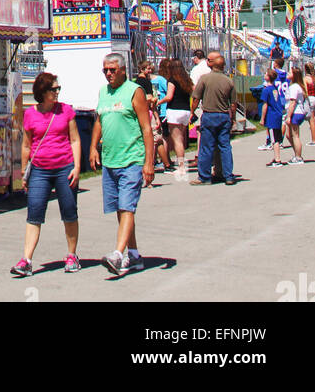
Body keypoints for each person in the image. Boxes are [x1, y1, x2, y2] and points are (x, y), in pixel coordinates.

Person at [11, 72, 82, 277]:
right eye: (54, 89)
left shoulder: (66, 111)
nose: (57, 92)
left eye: (58, 89)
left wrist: (76, 167)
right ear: (42, 92)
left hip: (64, 167)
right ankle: (26, 259)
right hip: (40, 170)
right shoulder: (30, 114)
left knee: (69, 211)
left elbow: (75, 140)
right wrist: (24, 170)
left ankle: (71, 255)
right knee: (34, 213)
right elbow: (26, 145)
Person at [90, 54, 154, 275]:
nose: (108, 74)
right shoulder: (103, 92)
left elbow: (147, 128)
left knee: (127, 206)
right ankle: (134, 254)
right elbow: (100, 120)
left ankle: (117, 254)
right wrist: (92, 148)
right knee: (121, 209)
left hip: (132, 159)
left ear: (123, 70)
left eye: (112, 70)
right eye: (105, 70)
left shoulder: (134, 91)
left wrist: (149, 162)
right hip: (110, 159)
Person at [190, 52, 237, 185]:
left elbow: (196, 98)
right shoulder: (229, 81)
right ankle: (228, 175)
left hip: (209, 115)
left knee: (206, 147)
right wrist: (232, 118)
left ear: (211, 64)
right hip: (223, 115)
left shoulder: (204, 79)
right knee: (225, 146)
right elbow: (233, 104)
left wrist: (192, 112)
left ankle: (204, 177)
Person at [159, 58, 194, 177]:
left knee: (177, 140)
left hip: (174, 110)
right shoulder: (187, 80)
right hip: (186, 110)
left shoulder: (172, 80)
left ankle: (181, 167)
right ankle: (182, 163)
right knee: (182, 139)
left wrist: (158, 102)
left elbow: (169, 97)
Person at [259, 69, 286, 167]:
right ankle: (276, 157)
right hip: (278, 115)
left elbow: (265, 105)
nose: (264, 75)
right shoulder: (274, 88)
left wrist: (262, 118)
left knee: (274, 139)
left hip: (272, 116)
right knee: (277, 137)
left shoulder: (266, 90)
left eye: (266, 74)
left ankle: (278, 159)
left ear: (268, 77)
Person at [284, 68, 309, 164]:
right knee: (288, 135)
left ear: (294, 75)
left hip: (296, 112)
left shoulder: (295, 87)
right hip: (295, 112)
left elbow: (293, 103)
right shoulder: (294, 86)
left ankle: (298, 157)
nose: (288, 73)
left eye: (290, 72)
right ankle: (297, 154)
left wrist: (289, 116)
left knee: (295, 136)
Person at [304, 63, 315, 146]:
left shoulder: (306, 79)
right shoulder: (314, 78)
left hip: (310, 99)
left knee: (311, 120)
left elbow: (305, 91)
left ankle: (314, 139)